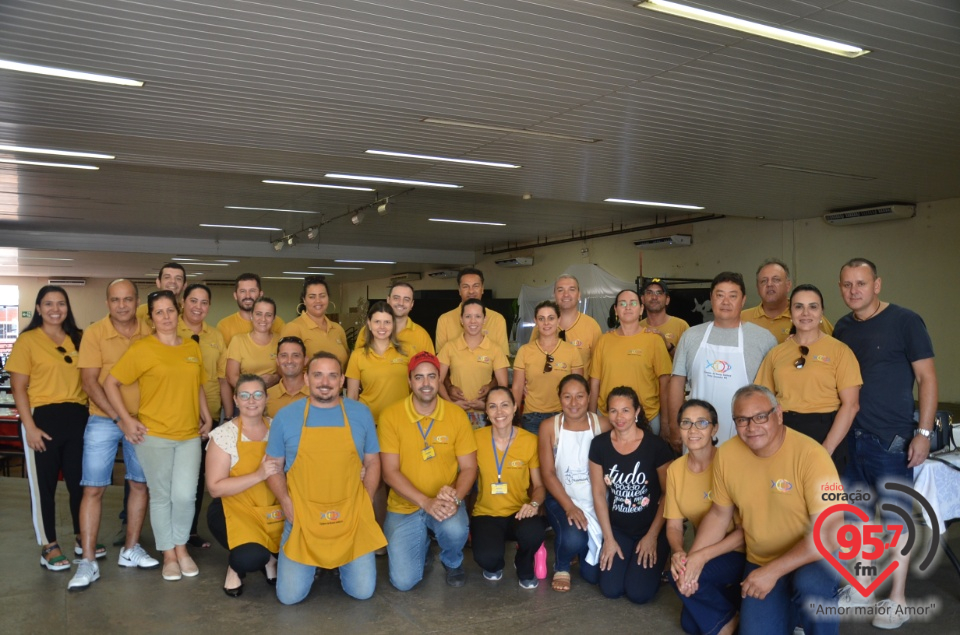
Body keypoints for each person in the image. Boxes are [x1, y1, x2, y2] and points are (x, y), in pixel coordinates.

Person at [833, 257, 938, 629]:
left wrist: (923, 434)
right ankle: (863, 586)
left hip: (892, 440)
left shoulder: (906, 322)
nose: (853, 291)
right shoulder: (842, 328)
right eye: (846, 284)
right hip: (853, 439)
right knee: (857, 518)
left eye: (861, 283)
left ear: (877, 284)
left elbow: (927, 379)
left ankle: (897, 599)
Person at [690, 385, 842, 635]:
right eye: (742, 420)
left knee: (811, 585)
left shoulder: (812, 455)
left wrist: (773, 571)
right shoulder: (727, 454)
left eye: (760, 416)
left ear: (778, 415)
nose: (751, 427)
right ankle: (791, 610)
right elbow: (719, 514)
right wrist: (695, 558)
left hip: (814, 557)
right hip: (761, 559)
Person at [105, 289, 213, 581]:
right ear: (151, 318)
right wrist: (125, 420)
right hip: (155, 436)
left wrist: (207, 416)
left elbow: (198, 385)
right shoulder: (142, 349)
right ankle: (169, 554)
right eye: (159, 312)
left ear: (178, 313)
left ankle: (182, 547)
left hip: (189, 435)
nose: (166, 317)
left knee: (185, 496)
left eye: (170, 310)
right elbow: (111, 383)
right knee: (162, 496)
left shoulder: (192, 346)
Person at [265, 352, 385, 603]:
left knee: (362, 592)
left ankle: (333, 564)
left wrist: (367, 498)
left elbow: (373, 461)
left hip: (351, 518)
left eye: (332, 375)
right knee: (289, 597)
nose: (325, 382)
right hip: (303, 519)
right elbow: (273, 466)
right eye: (318, 374)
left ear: (342, 380)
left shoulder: (361, 413)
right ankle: (320, 563)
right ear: (306, 378)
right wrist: (286, 502)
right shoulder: (286, 417)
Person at [69, 280, 158, 592]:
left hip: (143, 421)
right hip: (104, 420)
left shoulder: (151, 330)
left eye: (128, 299)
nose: (122, 305)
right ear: (107, 303)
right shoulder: (94, 333)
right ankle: (88, 562)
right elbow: (90, 382)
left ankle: (130, 550)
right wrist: (121, 419)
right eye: (116, 300)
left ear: (137, 302)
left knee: (139, 483)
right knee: (92, 488)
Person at [379, 351, 479, 590]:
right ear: (410, 381)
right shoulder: (391, 416)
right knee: (404, 582)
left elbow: (468, 467)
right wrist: (426, 502)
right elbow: (389, 472)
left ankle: (452, 561)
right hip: (405, 506)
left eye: (432, 377)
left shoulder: (456, 415)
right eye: (419, 377)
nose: (426, 383)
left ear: (439, 380)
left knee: (455, 530)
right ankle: (421, 546)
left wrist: (455, 498)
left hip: (445, 501)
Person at [7, 286, 88, 574]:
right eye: (49, 303)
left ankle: (82, 537)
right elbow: (18, 387)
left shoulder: (78, 337)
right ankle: (48, 545)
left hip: (78, 419)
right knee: (44, 488)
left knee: (81, 483)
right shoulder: (28, 341)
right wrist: (30, 427)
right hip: (42, 421)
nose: (56, 309)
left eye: (61, 303)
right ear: (39, 308)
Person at [755, 284, 861, 473]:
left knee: (823, 500)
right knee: (784, 498)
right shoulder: (776, 354)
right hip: (784, 433)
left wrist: (827, 448)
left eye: (813, 306)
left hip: (826, 432)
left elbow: (851, 405)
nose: (806, 313)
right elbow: (762, 401)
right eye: (798, 306)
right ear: (791, 312)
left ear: (822, 313)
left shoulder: (840, 351)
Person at [668, 272, 777, 448]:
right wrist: (674, 427)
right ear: (711, 298)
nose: (726, 302)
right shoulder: (691, 336)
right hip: (696, 436)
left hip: (747, 437)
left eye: (733, 296)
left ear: (743, 300)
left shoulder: (764, 339)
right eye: (720, 295)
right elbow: (677, 383)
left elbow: (773, 394)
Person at [666, 399, 745, 635]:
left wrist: (698, 558)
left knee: (681, 582)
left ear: (714, 428)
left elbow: (747, 532)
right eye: (686, 423)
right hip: (704, 552)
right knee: (690, 623)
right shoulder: (675, 470)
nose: (693, 430)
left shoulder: (731, 464)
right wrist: (679, 551)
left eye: (701, 423)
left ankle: (727, 624)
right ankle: (733, 613)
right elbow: (673, 526)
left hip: (739, 552)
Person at [589, 386, 673, 604]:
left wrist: (652, 536)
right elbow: (598, 493)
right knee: (610, 589)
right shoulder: (599, 445)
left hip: (651, 528)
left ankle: (664, 557)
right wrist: (608, 538)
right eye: (614, 411)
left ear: (637, 412)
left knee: (639, 593)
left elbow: (668, 494)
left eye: (626, 410)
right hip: (619, 530)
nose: (619, 417)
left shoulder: (656, 446)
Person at [206, 375, 283, 597]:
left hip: (272, 509)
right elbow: (215, 488)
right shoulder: (224, 435)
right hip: (235, 510)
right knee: (250, 557)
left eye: (258, 394)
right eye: (245, 395)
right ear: (236, 400)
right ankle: (238, 566)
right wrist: (259, 475)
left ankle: (271, 559)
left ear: (266, 398)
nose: (252, 400)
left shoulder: (277, 427)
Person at [538, 374, 610, 593]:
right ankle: (561, 565)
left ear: (589, 396)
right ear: (559, 398)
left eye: (580, 396)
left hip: (598, 500)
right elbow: (548, 473)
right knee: (573, 537)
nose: (574, 403)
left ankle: (581, 553)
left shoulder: (603, 425)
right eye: (567, 397)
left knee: (593, 576)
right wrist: (569, 506)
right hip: (561, 498)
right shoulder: (549, 427)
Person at [471, 387, 546, 588]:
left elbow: (539, 485)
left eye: (505, 405)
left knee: (534, 532)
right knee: (488, 559)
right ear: (486, 411)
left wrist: (534, 503)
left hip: (518, 513)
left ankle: (523, 562)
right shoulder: (475, 439)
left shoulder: (530, 441)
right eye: (492, 407)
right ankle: (495, 561)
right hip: (486, 513)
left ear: (515, 408)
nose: (499, 412)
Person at [179, 282, 230, 550]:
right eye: (193, 301)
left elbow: (222, 379)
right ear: (183, 302)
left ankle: (190, 532)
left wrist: (227, 415)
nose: (198, 307)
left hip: (208, 417)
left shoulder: (216, 336)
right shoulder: (171, 330)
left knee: (198, 478)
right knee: (178, 479)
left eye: (204, 302)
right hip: (177, 416)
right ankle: (174, 535)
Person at [590, 289, 672, 434]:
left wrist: (665, 422)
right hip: (608, 417)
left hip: (647, 417)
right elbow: (595, 382)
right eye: (622, 304)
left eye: (633, 303)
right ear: (616, 310)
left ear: (641, 309)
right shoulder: (604, 341)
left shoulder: (653, 340)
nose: (627, 307)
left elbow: (664, 383)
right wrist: (591, 417)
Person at [512, 300, 583, 435]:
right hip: (531, 417)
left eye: (551, 318)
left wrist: (579, 417)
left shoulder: (572, 351)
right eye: (541, 319)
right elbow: (517, 387)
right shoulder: (525, 351)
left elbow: (579, 388)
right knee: (534, 456)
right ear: (536, 321)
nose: (546, 323)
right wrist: (514, 417)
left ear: (558, 320)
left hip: (563, 416)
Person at [438, 299, 509, 429]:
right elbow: (438, 380)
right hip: (456, 413)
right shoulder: (449, 347)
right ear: (461, 319)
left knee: (484, 448)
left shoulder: (495, 349)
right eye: (468, 316)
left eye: (477, 316)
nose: (473, 321)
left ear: (484, 319)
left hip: (486, 415)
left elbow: (503, 385)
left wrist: (488, 405)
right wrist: (450, 404)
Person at [346, 302, 412, 423]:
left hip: (401, 421)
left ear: (393, 325)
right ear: (369, 324)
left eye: (387, 322)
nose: (382, 327)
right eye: (377, 322)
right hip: (368, 421)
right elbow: (352, 396)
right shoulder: (357, 356)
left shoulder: (406, 352)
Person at [741, 259, 833, 344]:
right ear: (758, 288)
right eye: (764, 281)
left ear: (788, 285)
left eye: (776, 280)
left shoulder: (808, 317)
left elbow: (832, 347)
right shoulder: (742, 318)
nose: (769, 284)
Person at [529, 274, 602, 375]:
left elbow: (598, 367)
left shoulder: (591, 326)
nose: (566, 294)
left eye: (571, 289)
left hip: (579, 389)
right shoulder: (541, 327)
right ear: (554, 294)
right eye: (560, 290)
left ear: (579, 294)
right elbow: (530, 360)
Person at [435, 267, 509, 357]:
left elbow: (502, 358)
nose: (471, 291)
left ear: (482, 289)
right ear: (459, 290)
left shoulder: (497, 319)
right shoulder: (445, 320)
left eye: (476, 286)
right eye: (465, 286)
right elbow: (441, 359)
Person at [280, 276, 349, 367]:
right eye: (312, 297)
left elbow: (348, 364)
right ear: (304, 300)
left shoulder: (337, 329)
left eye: (322, 296)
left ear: (328, 298)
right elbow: (284, 366)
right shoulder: (293, 328)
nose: (318, 301)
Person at [354, 282, 435, 355]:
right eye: (396, 298)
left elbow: (431, 368)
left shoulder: (422, 335)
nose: (401, 303)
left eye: (406, 299)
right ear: (388, 300)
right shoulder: (367, 331)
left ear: (412, 304)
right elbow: (357, 361)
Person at [225, 297, 280, 391]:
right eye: (259, 314)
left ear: (274, 318)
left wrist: (276, 378)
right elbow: (232, 377)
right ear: (251, 315)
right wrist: (254, 394)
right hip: (247, 400)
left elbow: (286, 372)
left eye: (268, 315)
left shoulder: (281, 341)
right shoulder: (238, 341)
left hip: (275, 399)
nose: (263, 319)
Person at [217, 273, 285, 347]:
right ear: (235, 295)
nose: (248, 296)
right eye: (242, 291)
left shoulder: (277, 323)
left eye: (252, 291)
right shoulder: (224, 326)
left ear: (260, 294)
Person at [638, 278, 689, 360]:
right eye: (649, 293)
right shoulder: (637, 327)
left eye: (659, 293)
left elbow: (689, 361)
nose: (654, 297)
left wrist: (667, 345)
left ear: (667, 300)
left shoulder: (681, 326)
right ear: (642, 299)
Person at [266, 336, 309, 418]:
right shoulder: (266, 396)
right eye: (284, 355)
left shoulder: (317, 393)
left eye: (296, 355)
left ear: (305, 360)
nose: (289, 361)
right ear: (277, 360)